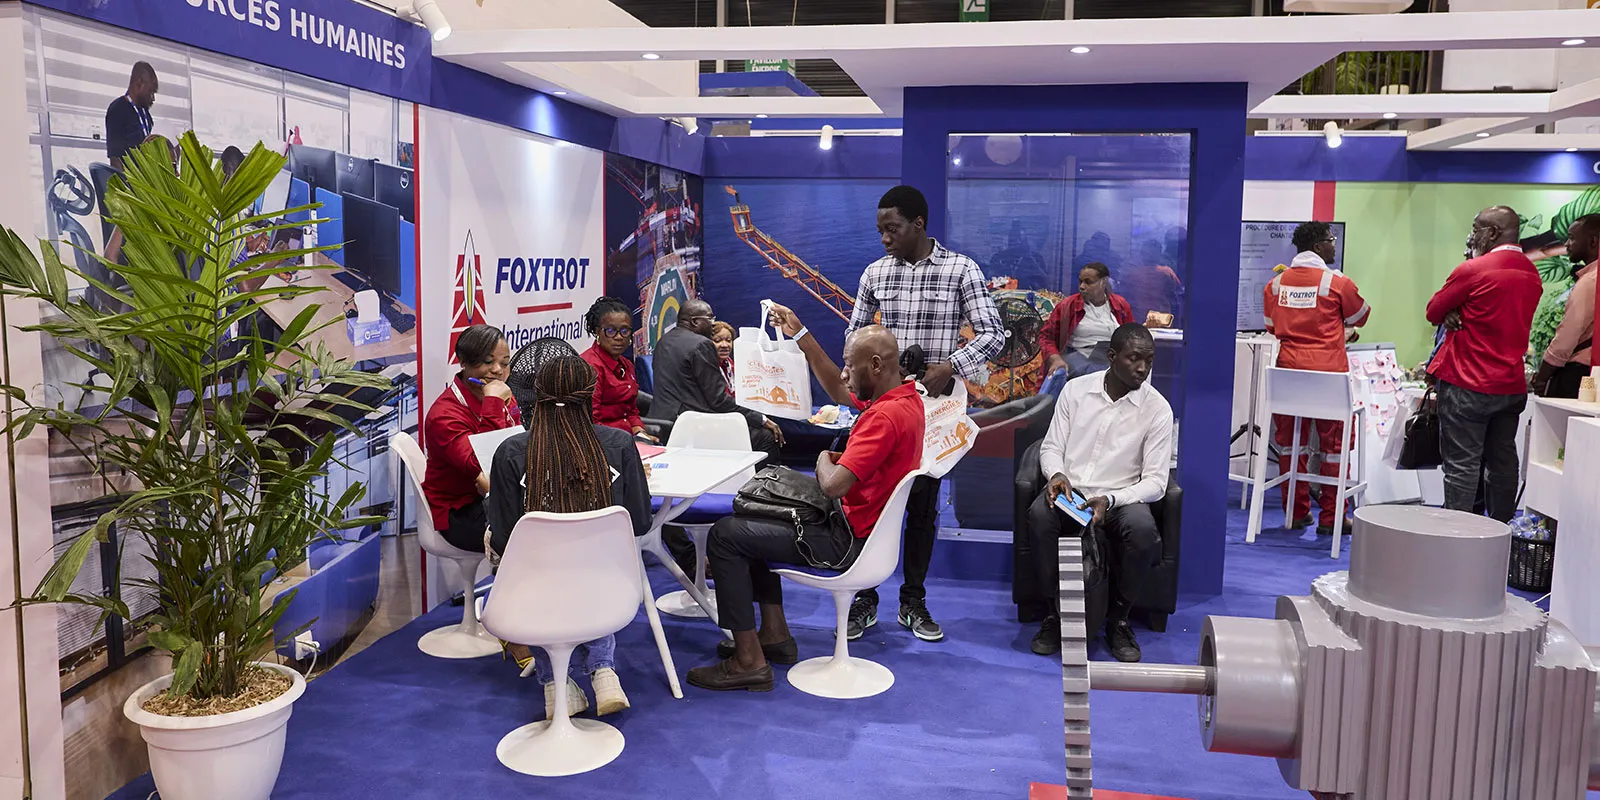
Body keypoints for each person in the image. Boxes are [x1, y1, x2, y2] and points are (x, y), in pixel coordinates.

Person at [686, 319, 924, 691]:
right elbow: (839, 390)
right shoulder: (907, 400)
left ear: (876, 366)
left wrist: (824, 457)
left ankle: (748, 661)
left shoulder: (883, 417)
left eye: (850, 365)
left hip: (847, 540)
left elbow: (832, 484)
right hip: (862, 531)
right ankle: (775, 636)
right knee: (753, 517)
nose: (844, 374)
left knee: (726, 535)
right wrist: (801, 334)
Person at [843, 184, 1005, 643]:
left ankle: (912, 600)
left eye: (892, 229)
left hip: (934, 412)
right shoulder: (875, 273)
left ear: (918, 224)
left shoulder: (961, 270)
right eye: (880, 230)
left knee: (922, 505)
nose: (884, 239)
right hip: (884, 410)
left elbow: (994, 334)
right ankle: (864, 596)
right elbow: (854, 337)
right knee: (871, 502)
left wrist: (949, 366)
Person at [483, 353, 650, 719]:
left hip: (534, 592)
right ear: (591, 394)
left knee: (534, 569)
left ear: (535, 395)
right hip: (610, 588)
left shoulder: (512, 452)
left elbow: (504, 539)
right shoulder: (620, 445)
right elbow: (639, 522)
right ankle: (604, 673)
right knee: (586, 564)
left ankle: (554, 687)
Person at [1025, 324, 1174, 663]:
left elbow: (1156, 482)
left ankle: (1118, 620)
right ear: (1111, 356)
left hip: (1120, 497)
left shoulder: (1157, 409)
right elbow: (1051, 447)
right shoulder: (1076, 391)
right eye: (1134, 358)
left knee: (1142, 530)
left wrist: (1112, 499)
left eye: (1149, 360)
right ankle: (1054, 614)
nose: (1142, 368)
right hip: (1072, 492)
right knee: (1039, 515)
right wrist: (1057, 474)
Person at [1426, 206, 1543, 523]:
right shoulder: (1531, 273)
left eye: (1476, 228)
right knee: (1502, 461)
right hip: (1510, 384)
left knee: (1461, 465)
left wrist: (1452, 311)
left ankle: (1458, 537)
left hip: (1467, 382)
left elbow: (1433, 310)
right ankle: (1502, 531)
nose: (1472, 235)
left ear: (1492, 233)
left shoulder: (1473, 270)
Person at [1262, 221, 1371, 536]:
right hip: (1328, 375)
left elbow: (1272, 326)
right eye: (1331, 239)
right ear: (1319, 246)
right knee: (1334, 447)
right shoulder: (1337, 282)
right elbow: (1361, 316)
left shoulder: (1275, 285)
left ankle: (1295, 513)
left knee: (1290, 445)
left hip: (1288, 373)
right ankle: (1331, 519)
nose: (1334, 244)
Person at [421, 324, 520, 554]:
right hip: (460, 510)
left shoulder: (502, 394)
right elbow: (482, 464)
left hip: (499, 494)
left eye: (505, 363)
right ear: (464, 362)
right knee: (525, 535)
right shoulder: (444, 415)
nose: (497, 370)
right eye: (487, 362)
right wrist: (493, 403)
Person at [651, 298, 783, 461]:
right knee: (767, 437)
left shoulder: (664, 341)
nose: (713, 324)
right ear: (695, 321)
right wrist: (761, 419)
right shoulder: (701, 344)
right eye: (710, 319)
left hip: (663, 420)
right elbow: (718, 400)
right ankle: (760, 479)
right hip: (692, 425)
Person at [1534, 214, 1598, 400]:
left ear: (1593, 241)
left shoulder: (1590, 281)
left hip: (1579, 374)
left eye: (1571, 238)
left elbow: (1567, 336)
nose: (1567, 244)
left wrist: (1542, 377)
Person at [579, 296, 656, 441]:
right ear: (597, 332)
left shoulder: (626, 364)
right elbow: (590, 422)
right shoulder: (590, 367)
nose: (619, 337)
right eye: (610, 331)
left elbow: (631, 411)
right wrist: (625, 443)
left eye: (625, 331)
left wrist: (640, 433)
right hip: (604, 442)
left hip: (628, 439)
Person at [1039, 262, 1134, 379]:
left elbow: (1131, 336)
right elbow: (1046, 337)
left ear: (1103, 282)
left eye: (1088, 282)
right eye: (1080, 282)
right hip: (1078, 357)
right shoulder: (1067, 306)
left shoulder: (1120, 305)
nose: (1082, 286)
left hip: (1111, 359)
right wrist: (1055, 358)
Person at [106, 62, 158, 171]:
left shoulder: (145, 113)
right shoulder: (117, 110)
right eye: (150, 92)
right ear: (139, 83)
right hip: (130, 179)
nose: (153, 98)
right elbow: (115, 160)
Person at [711, 320, 737, 397]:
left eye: (728, 340)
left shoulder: (730, 363)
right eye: (717, 341)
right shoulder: (706, 366)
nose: (725, 345)